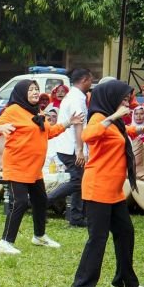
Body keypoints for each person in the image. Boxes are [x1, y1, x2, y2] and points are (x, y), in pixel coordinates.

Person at [69, 80, 144, 287]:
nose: (127, 103)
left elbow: (119, 134)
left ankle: (124, 281)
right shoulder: (99, 118)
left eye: (127, 99)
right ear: (110, 98)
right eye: (123, 99)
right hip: (98, 188)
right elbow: (88, 135)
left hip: (113, 191)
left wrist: (143, 128)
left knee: (125, 233)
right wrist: (113, 116)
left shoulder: (115, 123)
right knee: (98, 238)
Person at [0, 79, 81, 255]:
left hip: (34, 169)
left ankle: (39, 236)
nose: (34, 92)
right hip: (17, 166)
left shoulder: (37, 111)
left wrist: (69, 122)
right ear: (22, 93)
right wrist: (1, 128)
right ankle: (5, 242)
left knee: (40, 201)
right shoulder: (13, 110)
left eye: (36, 89)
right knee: (20, 203)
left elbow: (49, 132)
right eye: (30, 90)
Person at [46, 68, 93, 227]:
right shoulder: (76, 98)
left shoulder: (74, 95)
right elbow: (78, 123)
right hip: (70, 148)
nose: (91, 83)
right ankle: (43, 202)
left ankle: (76, 218)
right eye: (91, 79)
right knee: (78, 181)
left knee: (79, 180)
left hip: (68, 146)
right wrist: (80, 150)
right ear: (85, 79)